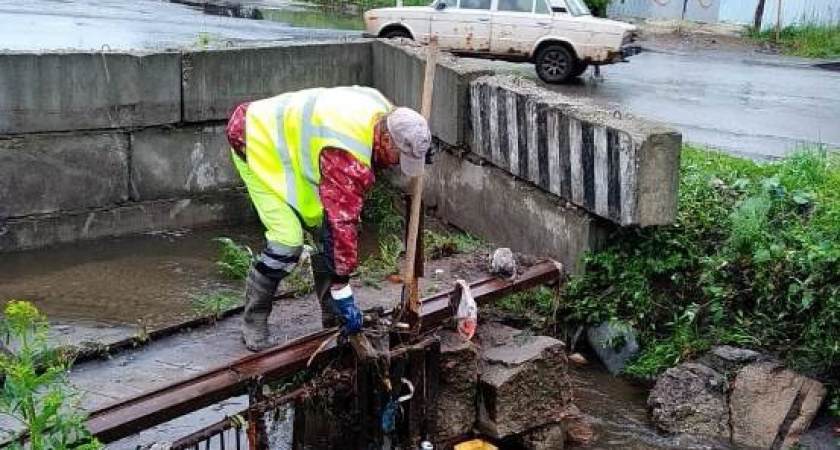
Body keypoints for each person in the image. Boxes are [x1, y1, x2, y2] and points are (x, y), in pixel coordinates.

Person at [225, 86, 432, 352]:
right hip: (256, 142)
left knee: (325, 231)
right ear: (385, 140)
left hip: (294, 148)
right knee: (286, 245)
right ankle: (254, 322)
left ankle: (332, 315)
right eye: (399, 156)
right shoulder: (347, 154)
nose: (396, 164)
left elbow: (334, 226)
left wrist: (422, 149)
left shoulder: (383, 109)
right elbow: (340, 225)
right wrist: (343, 288)